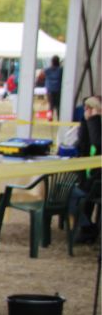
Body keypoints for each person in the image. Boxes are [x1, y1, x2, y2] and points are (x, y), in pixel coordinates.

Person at [73, 95, 101, 243]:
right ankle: (87, 227)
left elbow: (98, 143)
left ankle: (88, 228)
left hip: (98, 180)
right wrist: (85, 121)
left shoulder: (96, 124)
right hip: (91, 175)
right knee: (72, 193)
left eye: (91, 108)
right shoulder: (91, 124)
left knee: (78, 194)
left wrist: (94, 120)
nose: (87, 110)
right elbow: (81, 145)